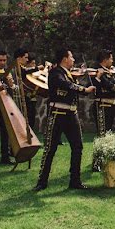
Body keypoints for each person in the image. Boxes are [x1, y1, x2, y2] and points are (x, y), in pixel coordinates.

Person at [34, 48, 95, 191]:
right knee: (50, 148)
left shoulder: (69, 74)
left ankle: (75, 181)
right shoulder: (55, 73)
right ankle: (42, 182)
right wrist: (83, 90)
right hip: (57, 114)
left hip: (71, 115)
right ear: (64, 59)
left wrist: (83, 85)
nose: (73, 60)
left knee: (78, 146)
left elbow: (73, 86)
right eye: (71, 57)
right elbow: (66, 85)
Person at [91, 51, 115, 171]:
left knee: (107, 133)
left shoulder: (108, 72)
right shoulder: (99, 71)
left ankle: (103, 159)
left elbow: (114, 83)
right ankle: (96, 163)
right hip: (102, 106)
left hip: (110, 106)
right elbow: (109, 85)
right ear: (105, 60)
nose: (113, 61)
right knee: (101, 134)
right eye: (111, 59)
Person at [12, 48, 43, 132]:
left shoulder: (20, 68)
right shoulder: (15, 68)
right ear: (19, 58)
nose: (27, 59)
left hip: (26, 98)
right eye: (25, 57)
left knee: (30, 120)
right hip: (18, 98)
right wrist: (38, 68)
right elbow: (24, 71)